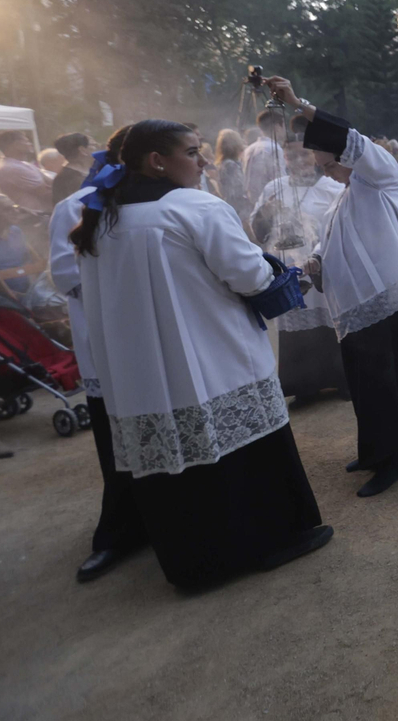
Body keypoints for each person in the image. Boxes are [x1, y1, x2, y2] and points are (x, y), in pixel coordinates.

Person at [69, 118, 330, 589]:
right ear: (157, 161)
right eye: (192, 152)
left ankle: (196, 566)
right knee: (243, 451)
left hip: (140, 375)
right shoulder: (193, 207)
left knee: (177, 464)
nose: (203, 160)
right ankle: (273, 541)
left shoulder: (102, 217)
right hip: (213, 356)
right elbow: (249, 275)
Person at [271, 78, 398, 499]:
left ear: (350, 158)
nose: (327, 172)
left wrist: (296, 103)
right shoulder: (344, 195)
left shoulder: (380, 176)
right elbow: (330, 238)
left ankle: (394, 458)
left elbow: (351, 136)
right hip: (355, 306)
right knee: (364, 383)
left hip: (383, 301)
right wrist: (316, 260)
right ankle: (377, 450)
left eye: (329, 164)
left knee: (385, 382)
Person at [49, 129, 147, 582]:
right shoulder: (74, 206)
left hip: (156, 337)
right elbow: (66, 274)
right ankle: (122, 529)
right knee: (118, 442)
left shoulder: (159, 201)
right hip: (107, 339)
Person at [250, 138, 348, 400]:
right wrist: (268, 211)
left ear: (315, 156)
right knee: (298, 325)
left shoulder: (331, 188)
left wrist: (317, 256)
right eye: (291, 156)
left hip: (322, 265)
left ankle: (341, 379)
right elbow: (258, 229)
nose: (299, 162)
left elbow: (338, 227)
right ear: (284, 159)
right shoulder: (274, 188)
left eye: (305, 156)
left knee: (331, 322)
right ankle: (305, 384)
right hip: (289, 267)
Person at [0, 130, 54, 214]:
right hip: (36, 219)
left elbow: (53, 183)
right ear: (15, 145)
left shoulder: (22, 164)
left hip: (42, 215)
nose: (30, 144)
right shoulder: (12, 168)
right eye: (26, 141)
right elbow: (46, 194)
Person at [241, 109, 286, 207]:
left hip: (251, 203)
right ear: (278, 127)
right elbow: (279, 182)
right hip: (270, 204)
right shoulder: (274, 149)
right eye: (283, 126)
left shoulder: (249, 149)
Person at [212, 129, 249, 223]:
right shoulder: (231, 165)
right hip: (238, 210)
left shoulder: (222, 164)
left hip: (229, 207)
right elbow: (238, 190)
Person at [50, 133, 92, 206]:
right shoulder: (69, 178)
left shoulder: (86, 173)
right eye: (94, 145)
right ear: (82, 150)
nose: (99, 148)